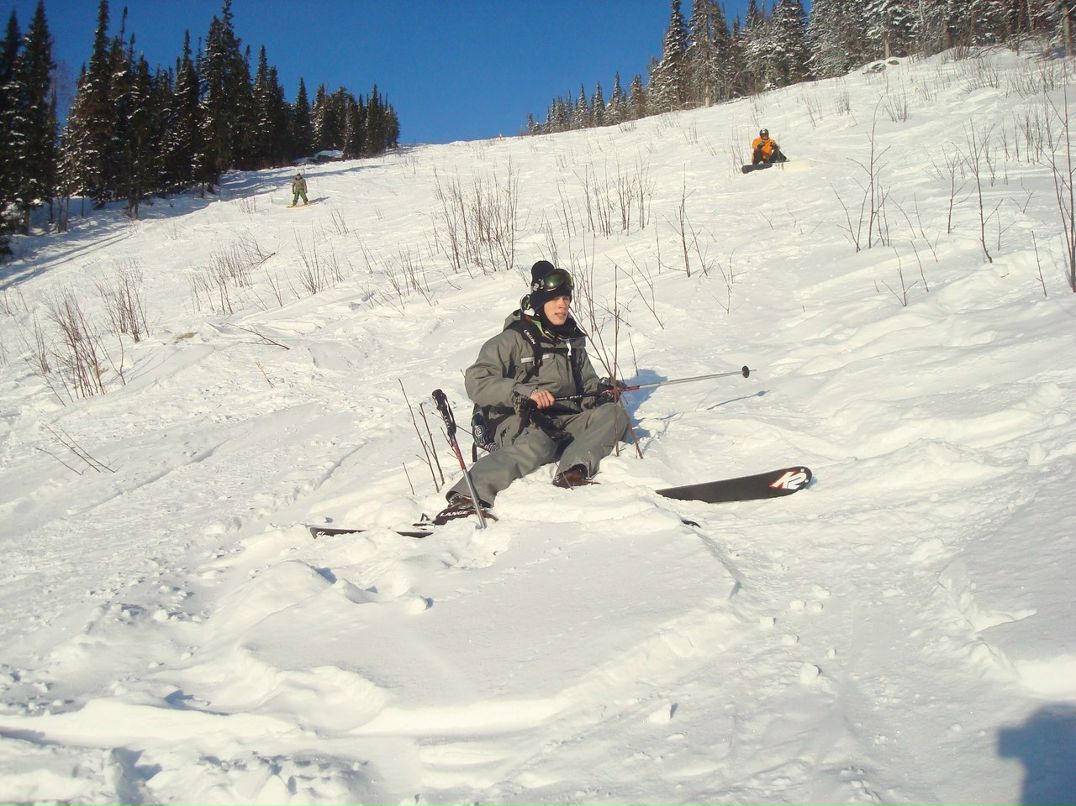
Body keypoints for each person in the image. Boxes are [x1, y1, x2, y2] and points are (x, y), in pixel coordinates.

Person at [434, 260, 631, 524]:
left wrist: (602, 392)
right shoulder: (513, 339)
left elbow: (587, 384)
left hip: (565, 418)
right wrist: (523, 392)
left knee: (614, 414)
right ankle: (466, 497)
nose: (563, 305)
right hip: (519, 419)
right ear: (539, 302)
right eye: (555, 299)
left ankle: (573, 472)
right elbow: (476, 381)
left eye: (566, 298)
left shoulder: (572, 340)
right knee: (541, 442)